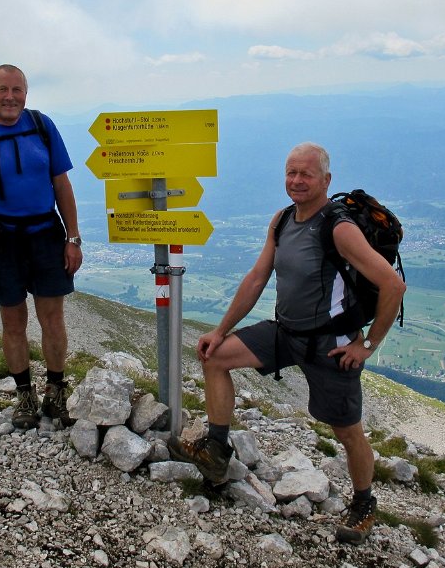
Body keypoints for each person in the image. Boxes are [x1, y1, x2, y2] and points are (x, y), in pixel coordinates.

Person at [168, 142, 406, 545]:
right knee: (215, 357)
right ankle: (216, 451)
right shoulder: (282, 221)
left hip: (331, 343)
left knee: (347, 432)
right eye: (291, 173)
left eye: (306, 174)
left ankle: (364, 502)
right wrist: (221, 330)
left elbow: (392, 284)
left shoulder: (339, 228)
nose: (296, 181)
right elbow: (257, 277)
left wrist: (368, 346)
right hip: (286, 331)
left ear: (326, 181)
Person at [0, 64, 82, 429]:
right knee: (13, 321)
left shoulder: (42, 126)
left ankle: (55, 391)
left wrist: (72, 238)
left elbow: (62, 184)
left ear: (26, 93)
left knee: (52, 317)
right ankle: (25, 394)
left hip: (45, 234)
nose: (10, 97)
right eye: (2, 90)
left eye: (17, 90)